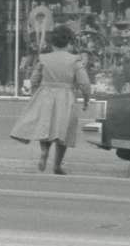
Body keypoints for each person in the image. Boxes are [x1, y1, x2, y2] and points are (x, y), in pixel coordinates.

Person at [10, 25, 91, 175]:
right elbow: (84, 83)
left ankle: (44, 152)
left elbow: (34, 79)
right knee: (63, 132)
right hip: (66, 96)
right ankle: (57, 165)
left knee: (46, 127)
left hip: (45, 94)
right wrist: (86, 99)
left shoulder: (44, 58)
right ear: (69, 43)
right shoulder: (75, 60)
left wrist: (35, 93)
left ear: (52, 43)